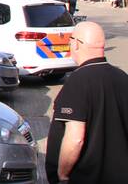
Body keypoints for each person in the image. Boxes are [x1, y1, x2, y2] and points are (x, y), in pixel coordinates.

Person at [44, 21, 128, 183]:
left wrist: (62, 174)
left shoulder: (77, 81)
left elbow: (76, 139)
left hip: (86, 177)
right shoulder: (122, 77)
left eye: (70, 39)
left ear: (76, 44)